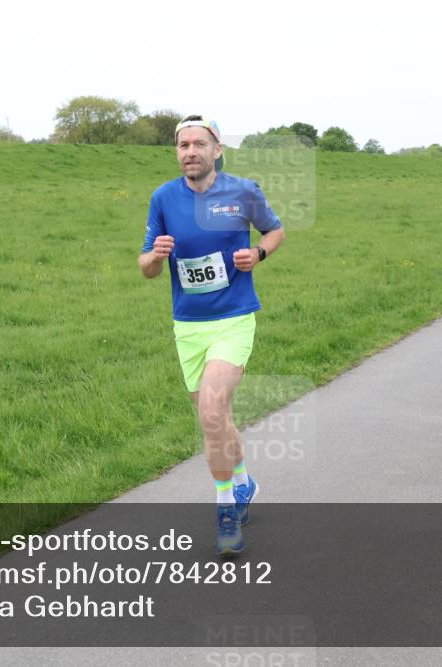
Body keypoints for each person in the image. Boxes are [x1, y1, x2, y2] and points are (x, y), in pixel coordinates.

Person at [139, 114, 285, 556]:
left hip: (234, 318)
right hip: (188, 326)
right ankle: (243, 483)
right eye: (183, 145)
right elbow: (145, 268)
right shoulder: (164, 198)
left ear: (217, 150)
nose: (190, 152)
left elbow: (275, 230)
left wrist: (258, 254)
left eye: (198, 144)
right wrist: (156, 257)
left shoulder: (242, 192)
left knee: (211, 412)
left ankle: (225, 512)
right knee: (216, 418)